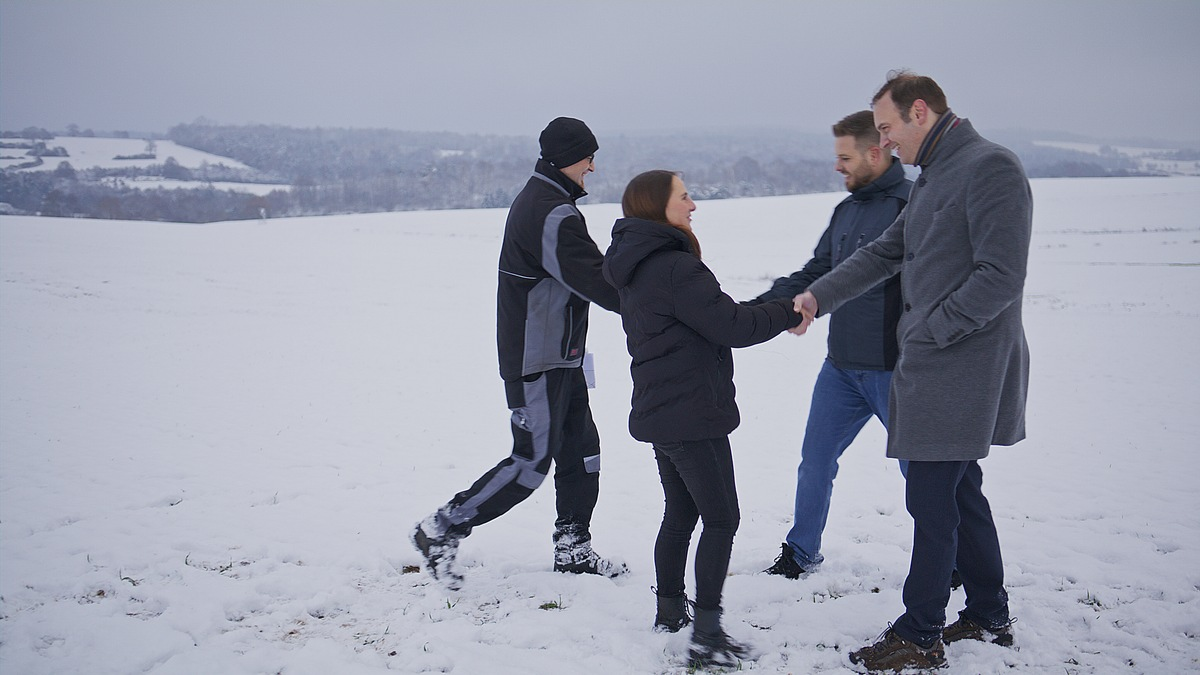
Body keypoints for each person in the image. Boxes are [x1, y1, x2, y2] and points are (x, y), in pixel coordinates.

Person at [793, 70, 1030, 672]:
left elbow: (1001, 275)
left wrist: (930, 329)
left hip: (961, 366)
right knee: (959, 492)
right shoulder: (937, 175)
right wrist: (819, 296)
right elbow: (886, 251)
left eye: (887, 127)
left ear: (919, 111)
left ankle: (920, 634)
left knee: (931, 500)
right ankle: (989, 613)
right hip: (936, 364)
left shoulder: (990, 167)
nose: (884, 141)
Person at [412, 117, 625, 590]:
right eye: (589, 156)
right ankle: (442, 526)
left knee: (583, 454)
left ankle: (573, 549)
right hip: (537, 361)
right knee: (530, 463)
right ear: (568, 158)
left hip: (561, 356)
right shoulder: (551, 213)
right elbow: (599, 283)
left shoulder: (550, 202)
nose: (593, 166)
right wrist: (656, 293)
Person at [602, 170, 804, 668]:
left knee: (680, 512)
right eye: (684, 196)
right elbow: (733, 327)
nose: (693, 205)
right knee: (721, 518)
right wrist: (788, 312)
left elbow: (713, 319)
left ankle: (671, 613)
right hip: (691, 414)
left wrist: (769, 307)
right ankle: (707, 636)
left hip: (664, 410)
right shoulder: (675, 266)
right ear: (658, 206)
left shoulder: (637, 265)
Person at [749, 110, 913, 579]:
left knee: (922, 475)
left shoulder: (911, 205)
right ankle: (801, 553)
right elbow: (817, 271)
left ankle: (955, 558)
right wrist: (757, 308)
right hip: (840, 368)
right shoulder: (846, 210)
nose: (837, 166)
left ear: (875, 153)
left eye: (845, 157)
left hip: (896, 370)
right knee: (816, 463)